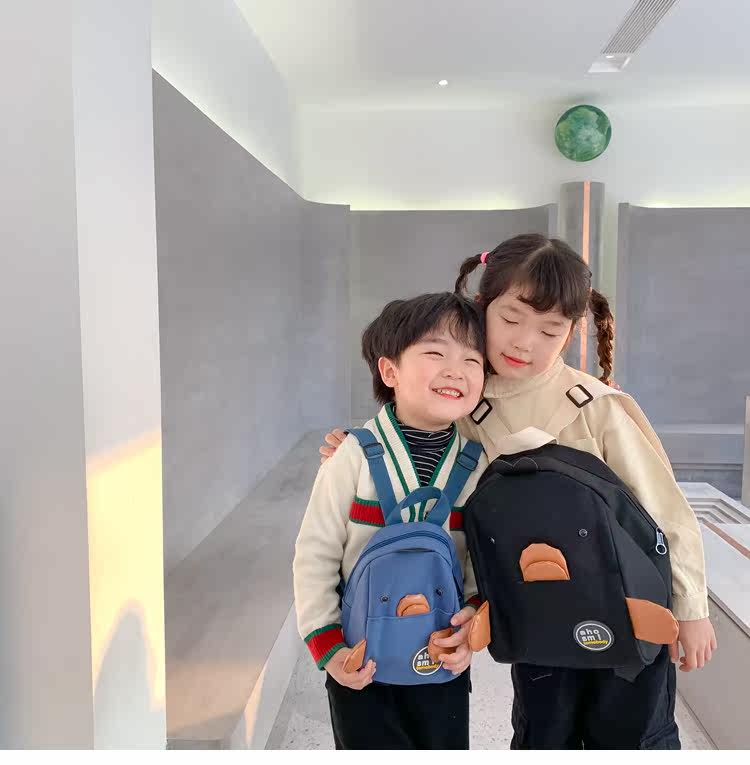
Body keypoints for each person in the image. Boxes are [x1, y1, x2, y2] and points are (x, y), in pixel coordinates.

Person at [319, 234, 717, 749]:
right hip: (536, 614)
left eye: (550, 330)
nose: (525, 342)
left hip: (628, 609)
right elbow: (420, 440)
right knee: (542, 734)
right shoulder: (466, 402)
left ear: (572, 332)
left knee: (632, 737)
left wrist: (692, 608)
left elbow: (668, 511)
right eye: (510, 319)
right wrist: (357, 447)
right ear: (482, 306)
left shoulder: (597, 406)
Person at [294, 292, 490, 749]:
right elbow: (315, 554)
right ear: (390, 371)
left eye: (472, 359)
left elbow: (479, 564)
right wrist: (328, 647)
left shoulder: (477, 465)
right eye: (436, 353)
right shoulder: (352, 456)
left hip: (441, 655)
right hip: (360, 659)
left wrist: (472, 627)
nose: (456, 370)